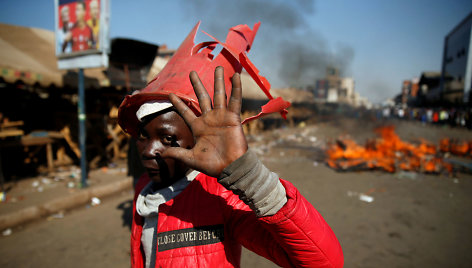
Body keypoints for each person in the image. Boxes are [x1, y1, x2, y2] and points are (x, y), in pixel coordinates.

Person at [118, 22, 343, 268]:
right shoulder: (144, 188)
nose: (150, 151)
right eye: (143, 136)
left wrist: (250, 177)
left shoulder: (219, 199)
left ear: (197, 140)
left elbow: (324, 263)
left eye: (168, 139)